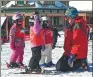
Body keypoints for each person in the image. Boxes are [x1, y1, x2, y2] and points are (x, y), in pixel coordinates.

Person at [56, 7, 89, 72]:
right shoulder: (72, 25)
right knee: (58, 66)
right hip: (69, 51)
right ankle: (81, 60)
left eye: (67, 17)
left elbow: (79, 43)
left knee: (61, 68)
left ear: (72, 17)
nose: (66, 19)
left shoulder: (77, 26)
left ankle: (81, 61)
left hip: (75, 54)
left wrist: (73, 55)